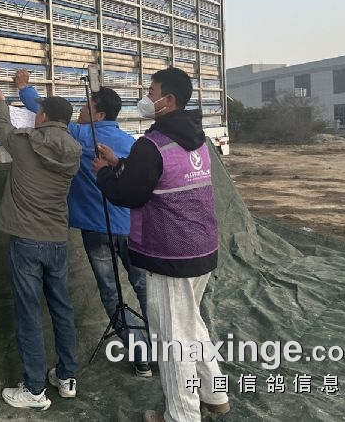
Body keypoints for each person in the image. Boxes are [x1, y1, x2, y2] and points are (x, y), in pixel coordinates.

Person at [92, 67, 230, 422]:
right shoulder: (196, 138)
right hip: (201, 247)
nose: (146, 98)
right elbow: (158, 174)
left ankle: (181, 415)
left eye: (151, 92)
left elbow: (129, 194)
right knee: (189, 321)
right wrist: (120, 163)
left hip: (170, 253)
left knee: (172, 337)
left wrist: (104, 174)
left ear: (167, 100)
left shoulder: (151, 144)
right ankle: (215, 394)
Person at [14, 69, 153, 377]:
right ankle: (164, 350)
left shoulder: (81, 135)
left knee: (111, 293)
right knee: (143, 287)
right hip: (130, 227)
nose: (80, 110)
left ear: (99, 114)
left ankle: (140, 356)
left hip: (96, 229)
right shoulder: (129, 142)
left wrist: (24, 88)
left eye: (87, 107)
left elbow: (46, 112)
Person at [0, 86, 82, 411]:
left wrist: (1, 102)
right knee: (62, 308)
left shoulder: (25, 142)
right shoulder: (75, 150)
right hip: (57, 239)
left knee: (28, 312)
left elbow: (2, 128)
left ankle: (34, 389)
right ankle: (67, 378)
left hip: (26, 240)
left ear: (42, 116)